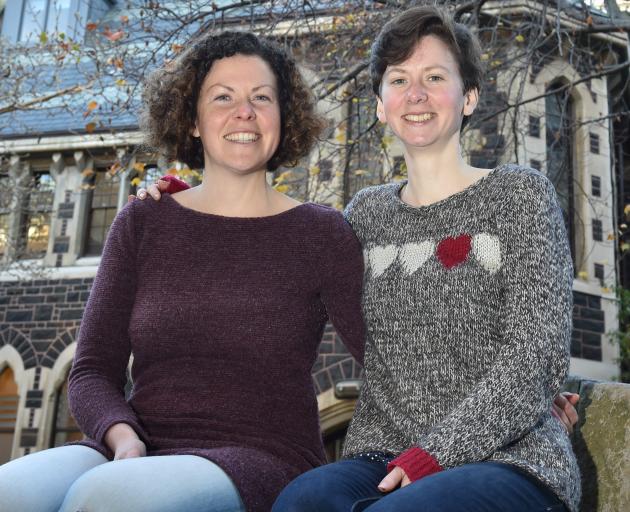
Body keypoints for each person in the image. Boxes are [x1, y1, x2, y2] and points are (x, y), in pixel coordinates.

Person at [0, 31, 366, 512]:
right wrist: (123, 437)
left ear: (284, 117)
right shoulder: (145, 220)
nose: (245, 112)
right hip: (140, 444)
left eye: (262, 97)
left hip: (261, 455)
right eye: (223, 97)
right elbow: (90, 371)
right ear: (192, 121)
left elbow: (387, 358)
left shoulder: (322, 233)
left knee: (107, 497)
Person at [268, 5, 581, 512]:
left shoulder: (519, 195)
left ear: (468, 97)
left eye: (435, 77)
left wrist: (434, 453)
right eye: (399, 79)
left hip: (510, 458)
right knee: (300, 502)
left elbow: (535, 353)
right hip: (383, 454)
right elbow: (282, 274)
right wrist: (189, 202)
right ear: (380, 104)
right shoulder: (365, 214)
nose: (416, 94)